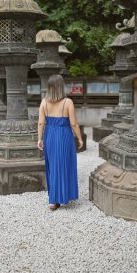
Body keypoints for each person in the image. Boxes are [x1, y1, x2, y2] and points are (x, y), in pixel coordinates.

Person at [37, 74, 83, 210]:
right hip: (64, 135)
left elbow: (40, 123)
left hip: (50, 135)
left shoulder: (44, 102)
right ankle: (63, 196)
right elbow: (73, 123)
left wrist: (39, 139)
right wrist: (79, 138)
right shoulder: (68, 102)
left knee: (53, 167)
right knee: (64, 164)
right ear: (61, 87)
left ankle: (53, 201)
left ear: (49, 87)